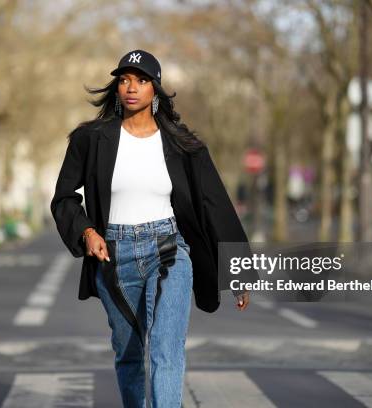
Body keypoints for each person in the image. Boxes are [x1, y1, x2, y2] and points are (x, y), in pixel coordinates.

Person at [50, 49, 258, 407]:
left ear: (156, 89)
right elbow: (64, 198)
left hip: (169, 249)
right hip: (113, 257)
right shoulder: (91, 140)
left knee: (166, 347)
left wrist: (238, 272)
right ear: (116, 88)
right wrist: (87, 232)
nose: (132, 87)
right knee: (129, 352)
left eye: (142, 80)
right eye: (125, 80)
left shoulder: (182, 144)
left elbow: (215, 204)